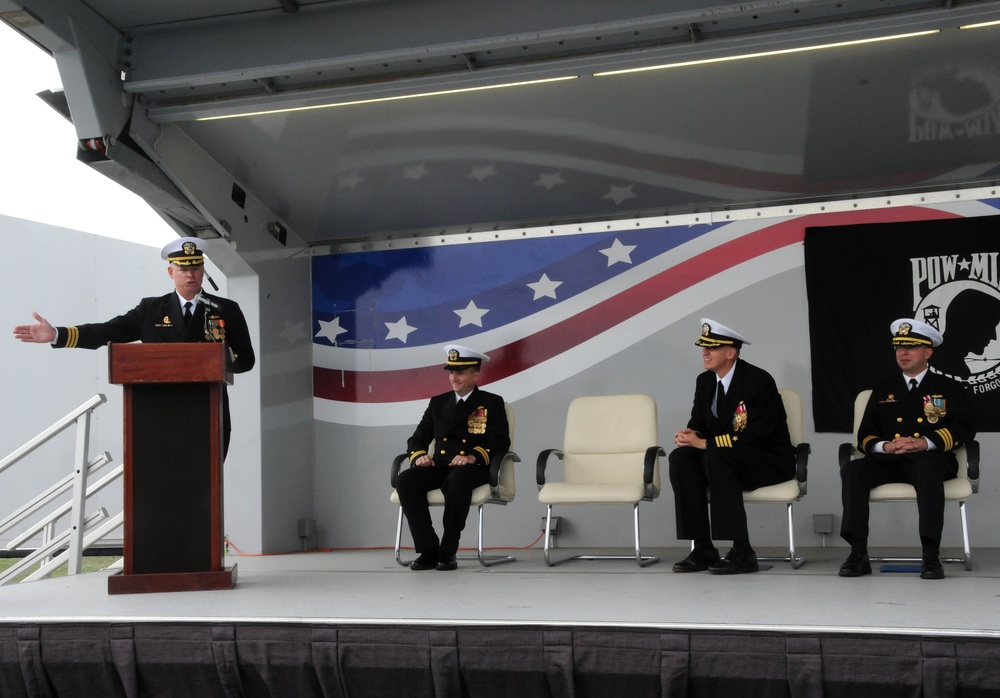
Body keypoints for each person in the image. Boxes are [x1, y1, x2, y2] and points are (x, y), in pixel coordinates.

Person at [12, 237, 255, 457]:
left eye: (195, 268)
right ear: (171, 272)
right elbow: (108, 331)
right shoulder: (151, 309)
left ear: (203, 271)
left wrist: (216, 362)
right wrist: (57, 335)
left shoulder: (225, 309)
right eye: (183, 269)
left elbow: (246, 358)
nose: (190, 275)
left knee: (205, 487)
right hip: (159, 412)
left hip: (208, 411)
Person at [839, 318, 975, 580]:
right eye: (899, 347)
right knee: (854, 470)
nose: (903, 353)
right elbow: (865, 434)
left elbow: (965, 428)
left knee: (927, 467)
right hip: (891, 459)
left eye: (911, 347)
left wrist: (926, 442)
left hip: (931, 458)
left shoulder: (948, 388)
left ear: (928, 352)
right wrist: (885, 446)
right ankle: (857, 553)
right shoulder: (883, 389)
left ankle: (931, 554)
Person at [669, 319, 795, 575]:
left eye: (712, 347)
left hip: (765, 460)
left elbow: (757, 436)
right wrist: (690, 434)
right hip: (722, 458)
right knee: (680, 458)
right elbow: (700, 423)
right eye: (703, 347)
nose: (704, 352)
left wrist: (705, 443)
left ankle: (742, 550)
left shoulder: (758, 381)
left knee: (716, 457)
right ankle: (703, 547)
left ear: (731, 352)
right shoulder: (705, 381)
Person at [396, 344, 510, 571]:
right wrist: (419, 456)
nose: (453, 377)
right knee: (406, 480)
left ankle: (447, 551)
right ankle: (428, 550)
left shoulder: (491, 402)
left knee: (458, 480)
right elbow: (417, 439)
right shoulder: (438, 403)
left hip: (471, 468)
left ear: (475, 374)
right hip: (440, 465)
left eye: (460, 372)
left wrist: (472, 457)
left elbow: (500, 441)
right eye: (451, 372)